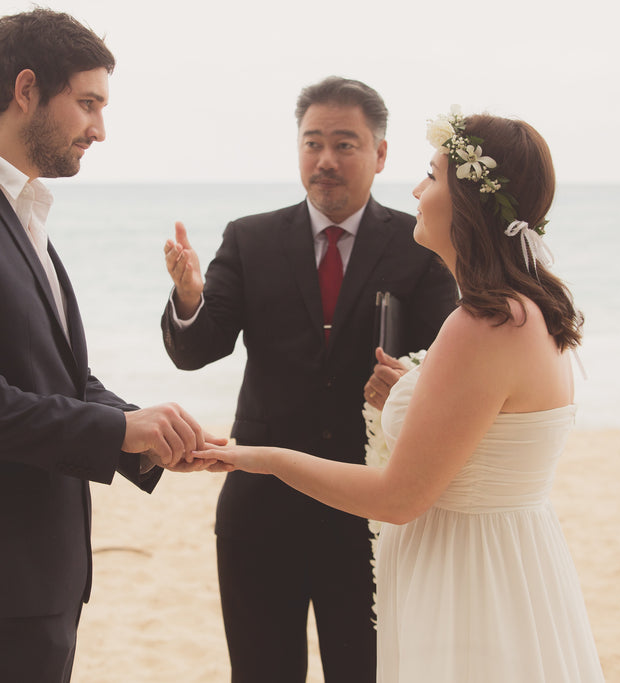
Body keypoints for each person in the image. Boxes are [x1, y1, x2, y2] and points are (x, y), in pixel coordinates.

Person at [0, 9, 220, 682]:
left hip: (31, 578)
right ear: (25, 89)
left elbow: (56, 375)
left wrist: (150, 435)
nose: (100, 129)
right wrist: (117, 427)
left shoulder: (14, 209)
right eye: (87, 104)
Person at [195, 108, 605, 681]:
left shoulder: (481, 323)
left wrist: (254, 458)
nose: (416, 189)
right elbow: (485, 430)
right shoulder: (529, 310)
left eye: (432, 176)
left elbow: (398, 498)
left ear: (468, 198)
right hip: (511, 561)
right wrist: (409, 400)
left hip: (465, 575)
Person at [161, 77, 458, 682]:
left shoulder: (419, 244)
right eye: (312, 142)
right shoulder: (250, 238)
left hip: (369, 506)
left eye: (345, 144)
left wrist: (407, 385)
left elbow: (448, 371)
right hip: (260, 509)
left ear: (379, 154)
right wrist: (189, 297)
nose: (325, 160)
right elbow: (197, 350)